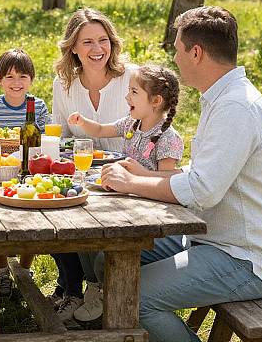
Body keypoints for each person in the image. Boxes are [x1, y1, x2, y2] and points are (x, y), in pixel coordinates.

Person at [101, 6, 262, 342]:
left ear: (196, 53)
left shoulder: (235, 107)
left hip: (245, 258)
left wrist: (133, 183)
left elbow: (203, 191)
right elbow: (199, 173)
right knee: (108, 261)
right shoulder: (223, 99)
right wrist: (145, 176)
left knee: (133, 295)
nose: (176, 58)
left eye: (178, 49)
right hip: (212, 241)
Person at [67, 64, 184, 322]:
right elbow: (100, 130)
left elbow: (172, 177)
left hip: (150, 212)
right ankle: (95, 288)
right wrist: (83, 122)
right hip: (125, 203)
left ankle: (109, 296)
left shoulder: (167, 138)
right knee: (83, 235)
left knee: (102, 254)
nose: (126, 97)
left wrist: (138, 173)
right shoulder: (132, 124)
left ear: (155, 101)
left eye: (133, 92)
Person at [51, 7, 137, 323]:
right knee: (51, 216)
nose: (97, 49)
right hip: (83, 180)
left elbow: (151, 131)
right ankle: (78, 289)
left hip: (128, 178)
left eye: (103, 40)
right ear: (73, 47)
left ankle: (94, 292)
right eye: (87, 42)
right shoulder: (63, 84)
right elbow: (58, 136)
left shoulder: (131, 77)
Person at [0, 48, 49, 296]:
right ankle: (1, 270)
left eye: (22, 77)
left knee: (36, 219)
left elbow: (43, 141)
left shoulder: (38, 106)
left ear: (31, 80)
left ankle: (25, 268)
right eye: (9, 77)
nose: (16, 83)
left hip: (30, 171)